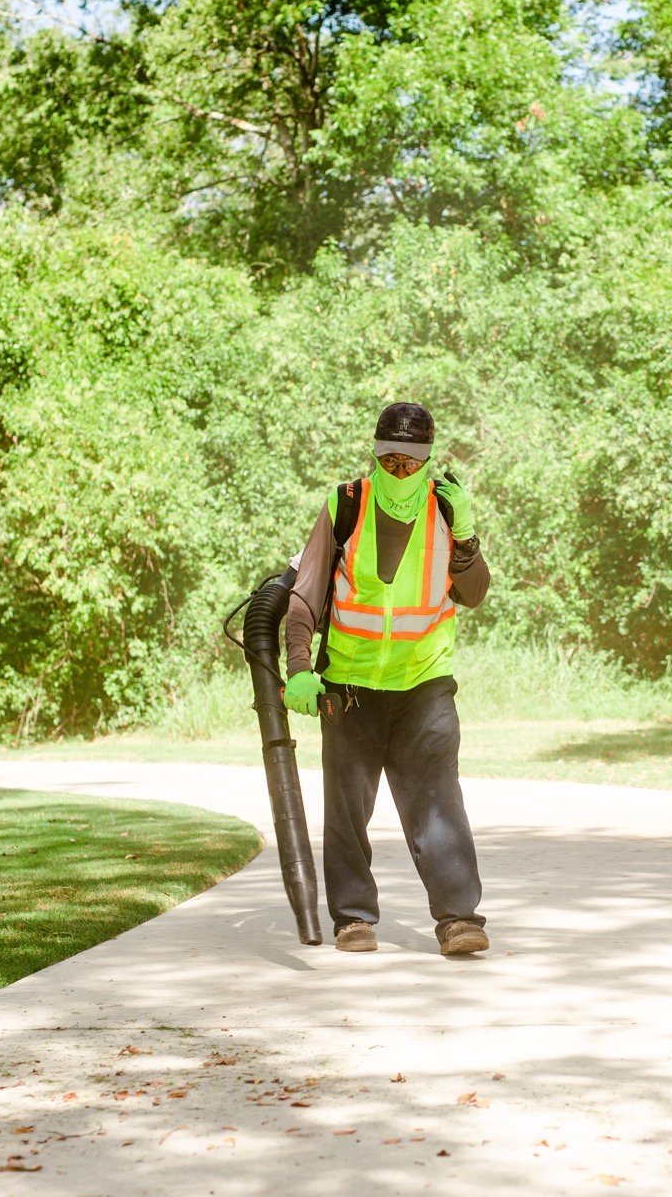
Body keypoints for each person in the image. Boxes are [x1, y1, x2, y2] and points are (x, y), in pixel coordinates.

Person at [281, 402, 492, 956]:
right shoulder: (345, 505)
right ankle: (353, 918)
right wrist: (300, 669)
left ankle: (458, 919)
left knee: (438, 803)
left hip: (424, 683)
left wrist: (467, 539)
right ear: (375, 453)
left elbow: (473, 594)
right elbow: (303, 595)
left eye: (410, 461)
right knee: (348, 808)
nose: (399, 470)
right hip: (350, 686)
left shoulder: (446, 511)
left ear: (428, 459)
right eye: (389, 459)